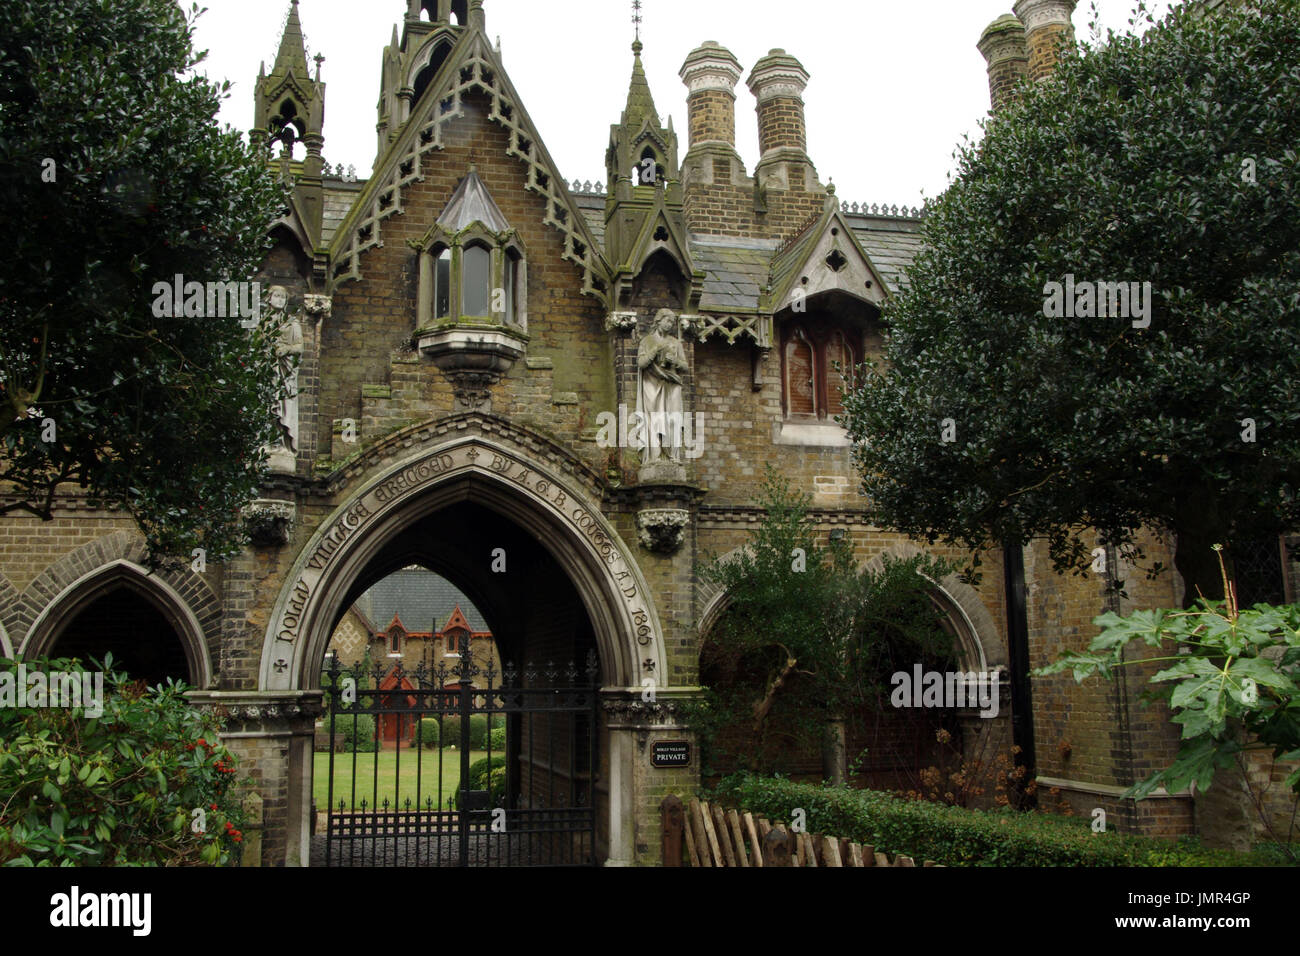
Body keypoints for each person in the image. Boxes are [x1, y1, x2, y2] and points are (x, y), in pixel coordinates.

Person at [636, 308, 688, 463]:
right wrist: (655, 351)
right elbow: (641, 363)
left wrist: (675, 362)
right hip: (651, 383)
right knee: (654, 418)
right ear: (658, 320)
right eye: (667, 321)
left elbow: (685, 367)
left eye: (672, 322)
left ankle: (672, 454)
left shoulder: (675, 343)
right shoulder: (647, 341)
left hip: (671, 385)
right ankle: (654, 455)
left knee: (673, 418)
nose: (669, 325)